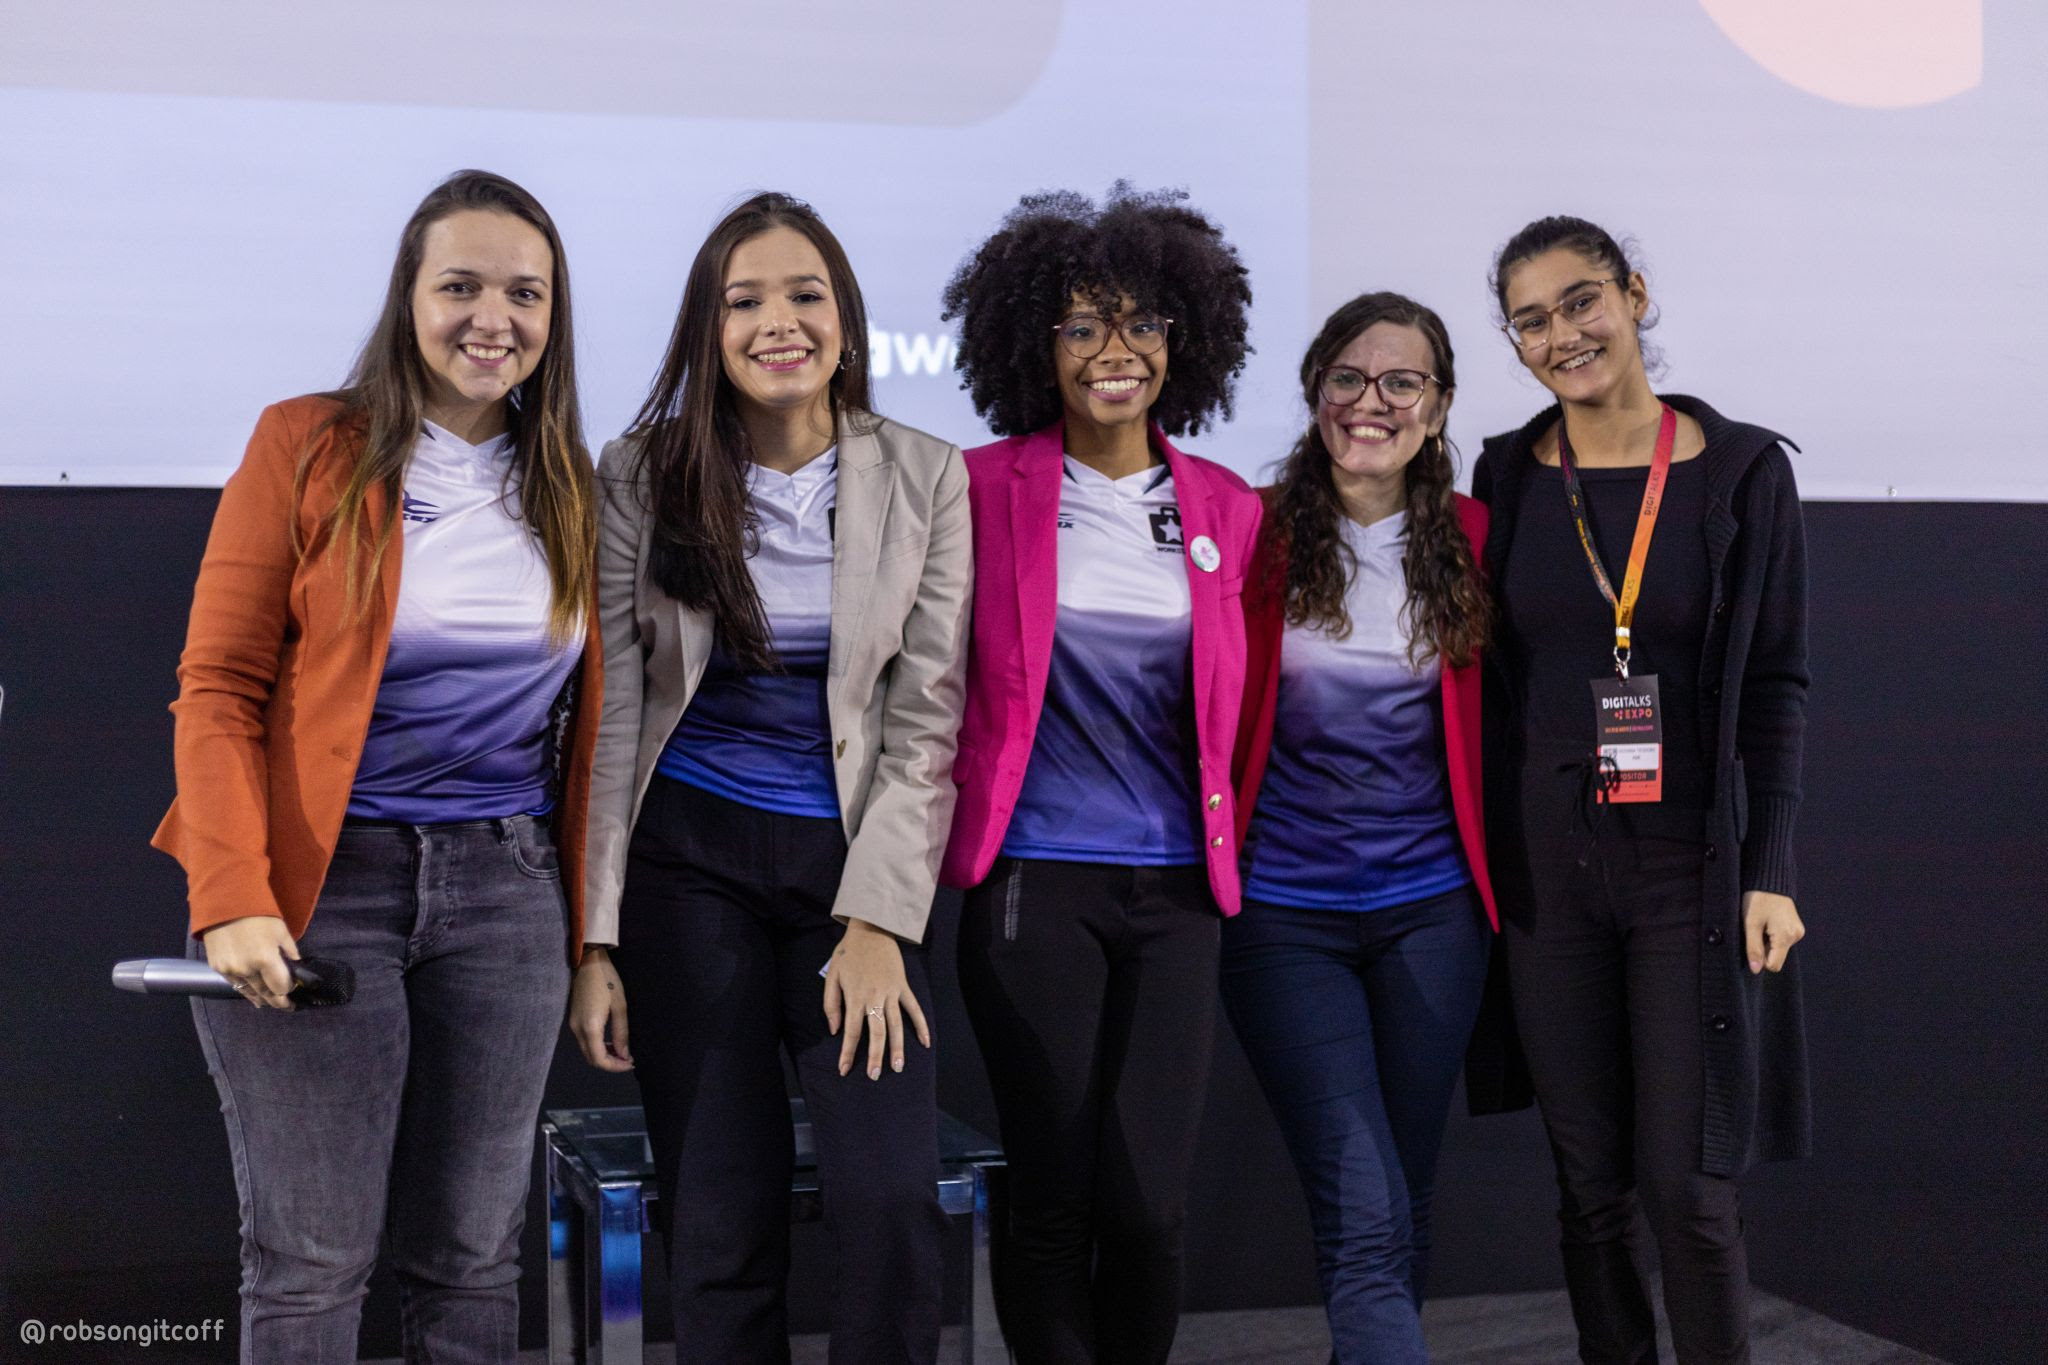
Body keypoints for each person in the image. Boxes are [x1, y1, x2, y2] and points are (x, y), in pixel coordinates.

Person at [154, 169, 601, 1363]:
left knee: (469, 1261)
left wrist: (595, 934)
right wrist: (231, 895)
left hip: (506, 896)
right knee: (310, 1266)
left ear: (554, 316)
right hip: (317, 886)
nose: (490, 317)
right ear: (408, 298)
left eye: (523, 293)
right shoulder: (305, 443)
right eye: (458, 286)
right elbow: (218, 687)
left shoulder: (573, 484)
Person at [566, 191, 971, 1363]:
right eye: (743, 301)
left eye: (805, 294)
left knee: (890, 1201)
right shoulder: (641, 471)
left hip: (851, 879)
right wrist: (596, 942)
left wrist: (879, 920)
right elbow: (613, 715)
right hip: (685, 869)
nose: (776, 321)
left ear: (846, 319)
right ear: (708, 328)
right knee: (717, 1216)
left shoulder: (923, 475)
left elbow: (923, 722)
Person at [1474, 215, 1811, 1365]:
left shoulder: (1741, 472)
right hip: (1544, 874)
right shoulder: (1500, 476)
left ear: (1634, 295)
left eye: (1581, 302)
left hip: (1685, 869)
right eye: (1531, 320)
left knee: (1689, 1188)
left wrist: (1768, 873)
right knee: (1588, 1187)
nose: (1561, 334)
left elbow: (1775, 687)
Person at [938, 183, 1261, 1365]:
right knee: (1056, 1189)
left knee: (1148, 1206)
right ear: (1038, 343)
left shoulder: (1227, 506)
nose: (1114, 352)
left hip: (1180, 896)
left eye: (1141, 325)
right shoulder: (976, 488)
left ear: (1185, 339)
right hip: (1034, 885)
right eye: (1082, 327)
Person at [1226, 292, 1496, 1363]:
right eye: (1346, 377)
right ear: (1312, 391)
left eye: (1400, 382)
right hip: (1283, 916)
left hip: (1431, 915)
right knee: (1364, 1200)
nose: (1368, 401)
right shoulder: (1246, 531)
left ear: (1434, 409)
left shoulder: (1475, 536)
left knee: (1402, 1197)